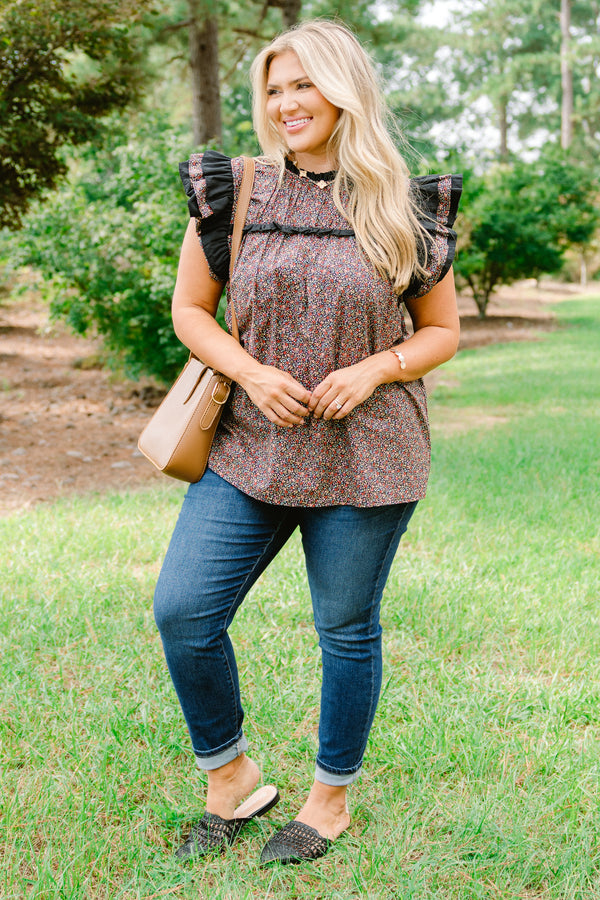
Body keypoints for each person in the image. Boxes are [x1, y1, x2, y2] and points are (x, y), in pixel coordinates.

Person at [153, 18, 461, 865]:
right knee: (183, 611)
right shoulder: (238, 189)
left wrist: (377, 369)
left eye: (303, 85)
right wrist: (250, 374)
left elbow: (441, 332)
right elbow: (189, 310)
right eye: (274, 89)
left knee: (347, 629)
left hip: (370, 455)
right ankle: (231, 778)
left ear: (344, 88)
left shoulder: (403, 203)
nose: (287, 104)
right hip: (249, 448)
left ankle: (329, 801)